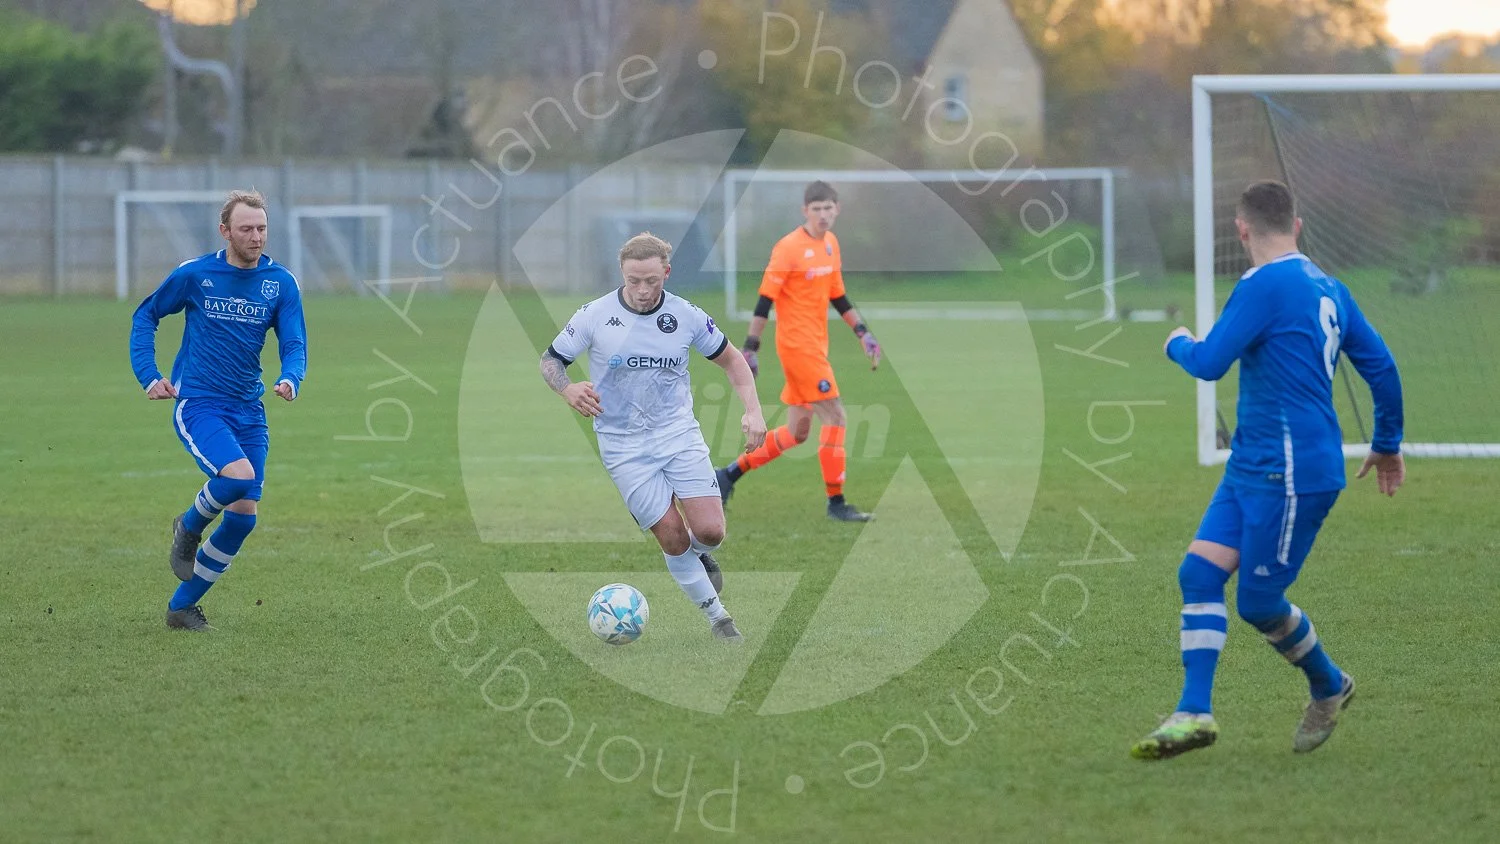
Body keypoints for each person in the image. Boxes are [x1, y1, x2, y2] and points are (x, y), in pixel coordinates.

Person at [1133, 180, 1405, 759]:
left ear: (1241, 229)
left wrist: (1176, 342)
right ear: (1296, 225)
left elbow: (1209, 362)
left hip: (1291, 474)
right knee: (1198, 574)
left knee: (1258, 603)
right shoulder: (1329, 286)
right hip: (1252, 465)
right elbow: (1382, 368)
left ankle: (1329, 685)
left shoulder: (1262, 285)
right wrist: (1386, 443)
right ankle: (1193, 713)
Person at [541, 232, 766, 641]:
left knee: (710, 532)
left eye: (651, 281)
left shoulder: (686, 315)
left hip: (678, 434)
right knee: (672, 537)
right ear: (622, 274)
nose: (643, 290)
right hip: (622, 445)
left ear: (667, 273)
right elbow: (551, 359)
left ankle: (701, 555)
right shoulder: (595, 314)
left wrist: (753, 411)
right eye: (633, 281)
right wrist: (567, 388)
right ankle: (719, 619)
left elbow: (733, 360)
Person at [129, 190, 307, 632]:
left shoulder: (280, 283)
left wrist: (291, 377)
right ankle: (188, 527)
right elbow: (146, 315)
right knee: (239, 477)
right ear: (225, 231)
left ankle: (181, 608)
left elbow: (294, 342)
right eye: (246, 229)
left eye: (262, 228)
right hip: (200, 404)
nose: (256, 237)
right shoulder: (196, 274)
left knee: (243, 518)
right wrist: (149, 375)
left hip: (249, 410)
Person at [714, 180, 882, 522]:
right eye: (816, 209)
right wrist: (751, 346)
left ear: (837, 209)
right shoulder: (788, 247)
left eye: (828, 208)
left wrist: (863, 332)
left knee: (797, 433)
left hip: (816, 347)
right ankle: (837, 503)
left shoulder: (831, 244)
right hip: (797, 348)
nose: (823, 214)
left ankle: (727, 475)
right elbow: (765, 300)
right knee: (836, 416)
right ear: (805, 210)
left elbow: (838, 295)